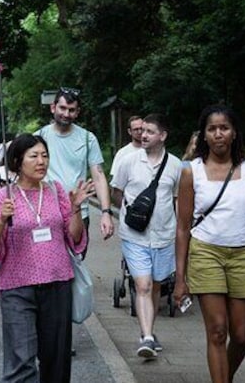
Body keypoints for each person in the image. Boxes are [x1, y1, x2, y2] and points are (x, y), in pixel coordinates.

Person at [0, 133, 92, 383]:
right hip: (17, 288)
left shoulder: (55, 190)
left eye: (45, 155)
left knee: (56, 359)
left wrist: (75, 209)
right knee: (21, 359)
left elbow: (74, 239)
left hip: (57, 283)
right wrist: (1, 221)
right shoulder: (3, 197)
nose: (41, 161)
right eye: (34, 156)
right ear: (18, 161)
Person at [173, 105, 245, 383]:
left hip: (242, 255)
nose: (218, 134)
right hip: (205, 253)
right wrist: (180, 279)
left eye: (224, 128)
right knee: (218, 330)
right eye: (212, 129)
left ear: (234, 133)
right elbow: (182, 229)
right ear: (203, 135)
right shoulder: (191, 172)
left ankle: (223, 377)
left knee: (240, 336)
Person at [110, 114, 181, 358]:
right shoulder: (128, 161)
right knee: (142, 284)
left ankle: (148, 330)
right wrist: (131, 213)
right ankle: (147, 337)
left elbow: (175, 199)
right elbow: (116, 192)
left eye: (150, 131)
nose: (144, 135)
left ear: (163, 136)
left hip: (163, 236)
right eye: (143, 131)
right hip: (134, 235)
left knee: (156, 285)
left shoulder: (175, 165)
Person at [36, 87, 114, 251]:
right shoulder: (39, 137)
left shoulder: (87, 138)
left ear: (77, 112)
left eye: (71, 110)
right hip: (46, 212)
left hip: (78, 213)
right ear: (53, 107)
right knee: (48, 265)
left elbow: (99, 177)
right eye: (62, 108)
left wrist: (106, 212)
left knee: (76, 261)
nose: (66, 114)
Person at [110, 115, 143, 180]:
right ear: (129, 131)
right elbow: (115, 179)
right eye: (136, 129)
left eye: (141, 128)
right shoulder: (122, 153)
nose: (139, 132)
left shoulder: (152, 150)